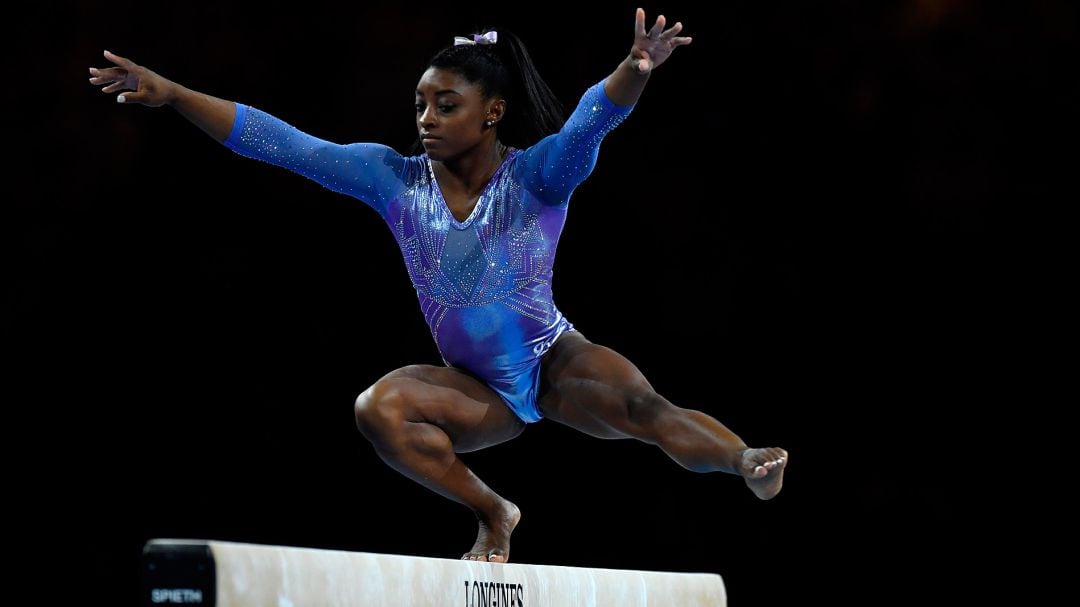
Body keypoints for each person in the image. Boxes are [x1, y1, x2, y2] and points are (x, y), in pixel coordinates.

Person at [89, 8, 787, 564]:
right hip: (474, 389)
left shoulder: (537, 177)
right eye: (420, 103)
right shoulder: (392, 179)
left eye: (445, 105)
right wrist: (175, 93)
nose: (425, 118)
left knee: (644, 406)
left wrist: (634, 68)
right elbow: (282, 142)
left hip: (552, 362)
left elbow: (590, 122)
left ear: (492, 112)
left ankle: (744, 459)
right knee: (378, 410)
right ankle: (494, 511)